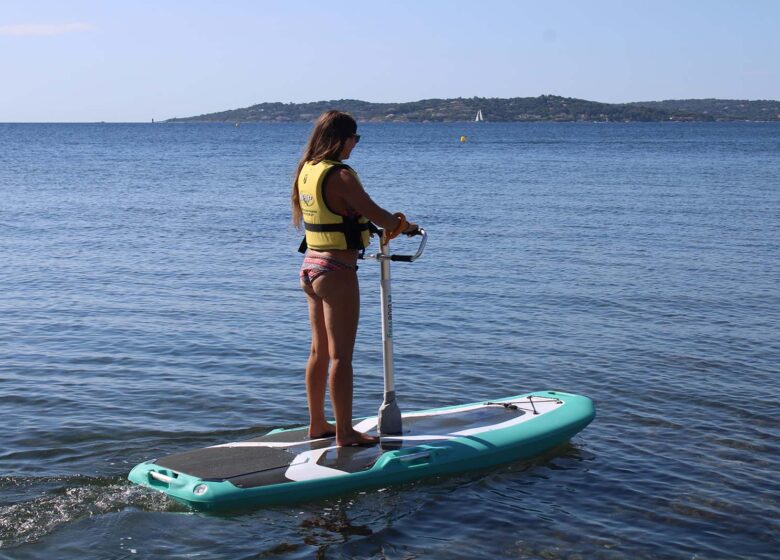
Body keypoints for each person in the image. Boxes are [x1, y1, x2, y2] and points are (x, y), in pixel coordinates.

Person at [291, 110, 416, 447]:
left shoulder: (307, 170)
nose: (356, 144)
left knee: (319, 351)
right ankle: (345, 433)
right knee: (341, 357)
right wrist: (406, 226)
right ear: (340, 139)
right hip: (336, 272)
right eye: (355, 138)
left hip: (310, 266)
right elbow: (381, 217)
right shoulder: (341, 175)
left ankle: (318, 424)